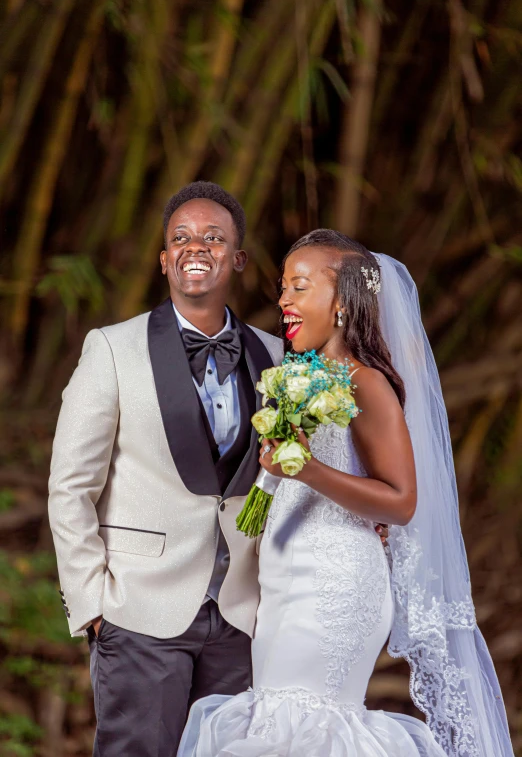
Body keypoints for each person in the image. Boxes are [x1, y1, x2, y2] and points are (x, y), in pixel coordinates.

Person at [48, 182, 389, 756]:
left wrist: (359, 520)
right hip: (139, 612)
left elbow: (299, 471)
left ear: (237, 259)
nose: (195, 246)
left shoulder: (280, 358)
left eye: (213, 236)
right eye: (180, 237)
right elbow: (69, 488)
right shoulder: (110, 348)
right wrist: (93, 607)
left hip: (244, 616)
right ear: (163, 259)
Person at [178, 230, 513, 757]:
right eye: (283, 288)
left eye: (299, 287)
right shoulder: (305, 375)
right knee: (276, 719)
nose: (283, 301)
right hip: (287, 584)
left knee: (303, 726)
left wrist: (306, 469)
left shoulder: (366, 383)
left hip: (333, 585)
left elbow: (401, 500)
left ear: (341, 303)